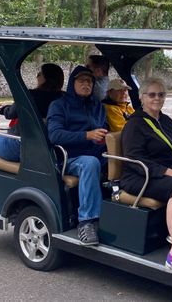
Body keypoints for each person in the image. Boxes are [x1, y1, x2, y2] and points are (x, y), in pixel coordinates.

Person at [120, 77, 172, 278]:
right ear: (141, 98)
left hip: (163, 174)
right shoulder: (135, 124)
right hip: (138, 175)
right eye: (152, 94)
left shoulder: (165, 120)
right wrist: (169, 173)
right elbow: (133, 159)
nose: (157, 98)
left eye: (161, 94)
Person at [0, 63, 65, 194]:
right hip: (52, 150)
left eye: (40, 73)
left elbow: (11, 113)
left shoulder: (31, 95)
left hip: (23, 148)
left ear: (47, 78)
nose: (37, 76)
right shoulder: (64, 98)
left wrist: (3, 109)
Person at [47, 66, 107, 246]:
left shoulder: (97, 105)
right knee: (90, 163)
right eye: (81, 81)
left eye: (89, 81)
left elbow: (105, 128)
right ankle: (87, 221)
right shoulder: (59, 105)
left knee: (125, 160)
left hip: (96, 152)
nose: (86, 84)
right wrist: (87, 135)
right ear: (72, 83)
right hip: (69, 157)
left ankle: (120, 214)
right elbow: (54, 135)